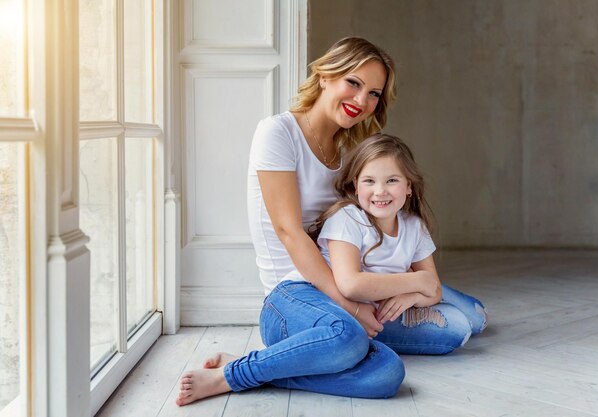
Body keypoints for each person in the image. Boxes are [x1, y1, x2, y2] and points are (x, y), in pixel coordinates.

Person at [175, 37, 482, 406]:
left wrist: (407, 284)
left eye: (373, 93)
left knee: (472, 317)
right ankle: (239, 370)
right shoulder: (278, 132)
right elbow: (289, 232)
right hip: (297, 290)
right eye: (353, 83)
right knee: (392, 362)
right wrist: (352, 306)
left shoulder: (346, 149)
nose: (361, 100)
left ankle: (315, 350)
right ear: (325, 76)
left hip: (349, 274)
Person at [312, 134, 487, 356]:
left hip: (403, 293)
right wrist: (418, 280)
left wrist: (413, 295)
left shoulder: (414, 224)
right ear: (356, 185)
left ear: (409, 186)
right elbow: (351, 285)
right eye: (369, 181)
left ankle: (449, 304)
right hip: (369, 312)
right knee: (459, 328)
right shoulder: (347, 219)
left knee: (477, 319)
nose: (380, 191)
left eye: (392, 180)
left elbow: (433, 288)